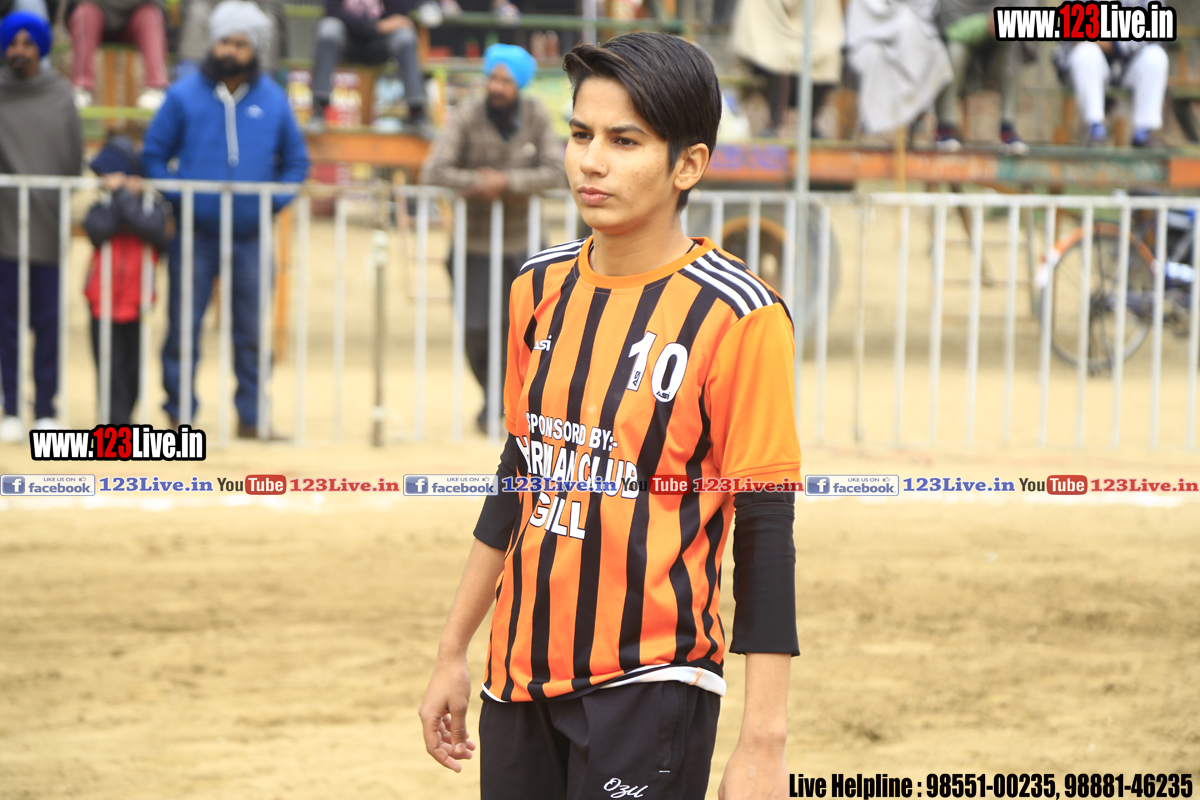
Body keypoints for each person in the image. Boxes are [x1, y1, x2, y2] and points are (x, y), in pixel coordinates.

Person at [418, 32, 801, 800]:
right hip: (518, 676)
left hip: (651, 681)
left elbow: (764, 533)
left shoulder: (741, 316)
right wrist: (453, 648)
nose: (591, 162)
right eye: (580, 134)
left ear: (688, 164)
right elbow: (519, 479)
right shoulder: (537, 288)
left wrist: (764, 741)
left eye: (624, 141)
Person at [142, 0, 308, 437]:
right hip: (194, 235)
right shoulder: (182, 95)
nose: (230, 50)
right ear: (212, 42)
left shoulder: (274, 100)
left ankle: (251, 417)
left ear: (255, 49)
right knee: (183, 328)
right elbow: (154, 156)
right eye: (224, 41)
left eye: (240, 43)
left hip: (251, 236)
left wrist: (271, 202)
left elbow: (296, 163)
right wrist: (181, 197)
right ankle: (179, 416)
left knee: (251, 331)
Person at [419, 43, 567, 434]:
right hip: (474, 245)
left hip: (526, 246)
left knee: (526, 331)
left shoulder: (536, 115)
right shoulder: (467, 115)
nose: (497, 87)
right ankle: (494, 398)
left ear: (520, 85)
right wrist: (479, 183)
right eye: (493, 78)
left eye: (506, 81)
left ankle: (515, 408)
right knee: (476, 330)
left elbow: (557, 172)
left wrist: (507, 182)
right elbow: (434, 170)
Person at [0, 12, 83, 443]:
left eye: (28, 43)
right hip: (4, 229)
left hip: (48, 227)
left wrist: (56, 205)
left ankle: (46, 408)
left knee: (48, 324)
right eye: (12, 43)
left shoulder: (60, 96)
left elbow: (73, 160)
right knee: (7, 325)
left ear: (41, 48)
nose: (19, 51)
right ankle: (12, 407)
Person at [82, 136, 171, 425]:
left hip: (137, 302)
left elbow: (151, 230)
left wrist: (123, 196)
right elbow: (98, 231)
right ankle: (115, 424)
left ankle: (125, 419)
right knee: (108, 367)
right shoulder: (101, 206)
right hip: (101, 302)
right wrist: (119, 197)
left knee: (132, 368)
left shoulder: (152, 207)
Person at [1054, 0, 1169, 148]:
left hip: (1129, 71)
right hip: (1089, 72)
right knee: (1086, 52)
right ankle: (1095, 130)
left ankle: (1144, 132)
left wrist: (1113, 43)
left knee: (1155, 56)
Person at [308, 0, 430, 135]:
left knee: (405, 35)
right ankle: (318, 111)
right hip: (349, 42)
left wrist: (380, 26)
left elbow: (401, 14)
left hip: (380, 44)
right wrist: (376, 26)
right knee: (328, 27)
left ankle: (417, 113)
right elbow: (332, 11)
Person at [730, 0, 844, 138]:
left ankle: (810, 124)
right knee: (774, 55)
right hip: (772, 32)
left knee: (829, 59)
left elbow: (828, 22)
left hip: (813, 36)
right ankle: (774, 123)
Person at [934, 0, 1032, 154]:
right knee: (954, 51)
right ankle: (945, 127)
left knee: (1013, 46)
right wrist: (985, 24)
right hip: (961, 49)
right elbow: (948, 28)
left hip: (997, 53)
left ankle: (1008, 128)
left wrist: (1007, 24)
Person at [65, 0, 170, 110]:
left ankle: (155, 88)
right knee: (85, 13)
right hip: (94, 18)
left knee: (150, 15)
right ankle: (82, 87)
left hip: (135, 20)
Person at [177, 0, 286, 79]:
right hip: (208, 6)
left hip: (260, 7)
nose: (231, 50)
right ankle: (189, 82)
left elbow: (271, 6)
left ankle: (262, 86)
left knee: (270, 22)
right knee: (197, 14)